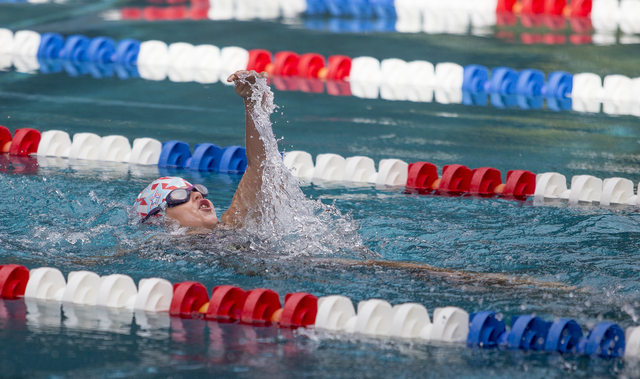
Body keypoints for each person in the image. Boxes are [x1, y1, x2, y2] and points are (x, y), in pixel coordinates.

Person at [134, 70, 268, 231]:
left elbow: (259, 166)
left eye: (195, 190)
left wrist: (252, 101)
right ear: (160, 219)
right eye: (179, 196)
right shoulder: (154, 249)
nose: (197, 195)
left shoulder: (231, 225)